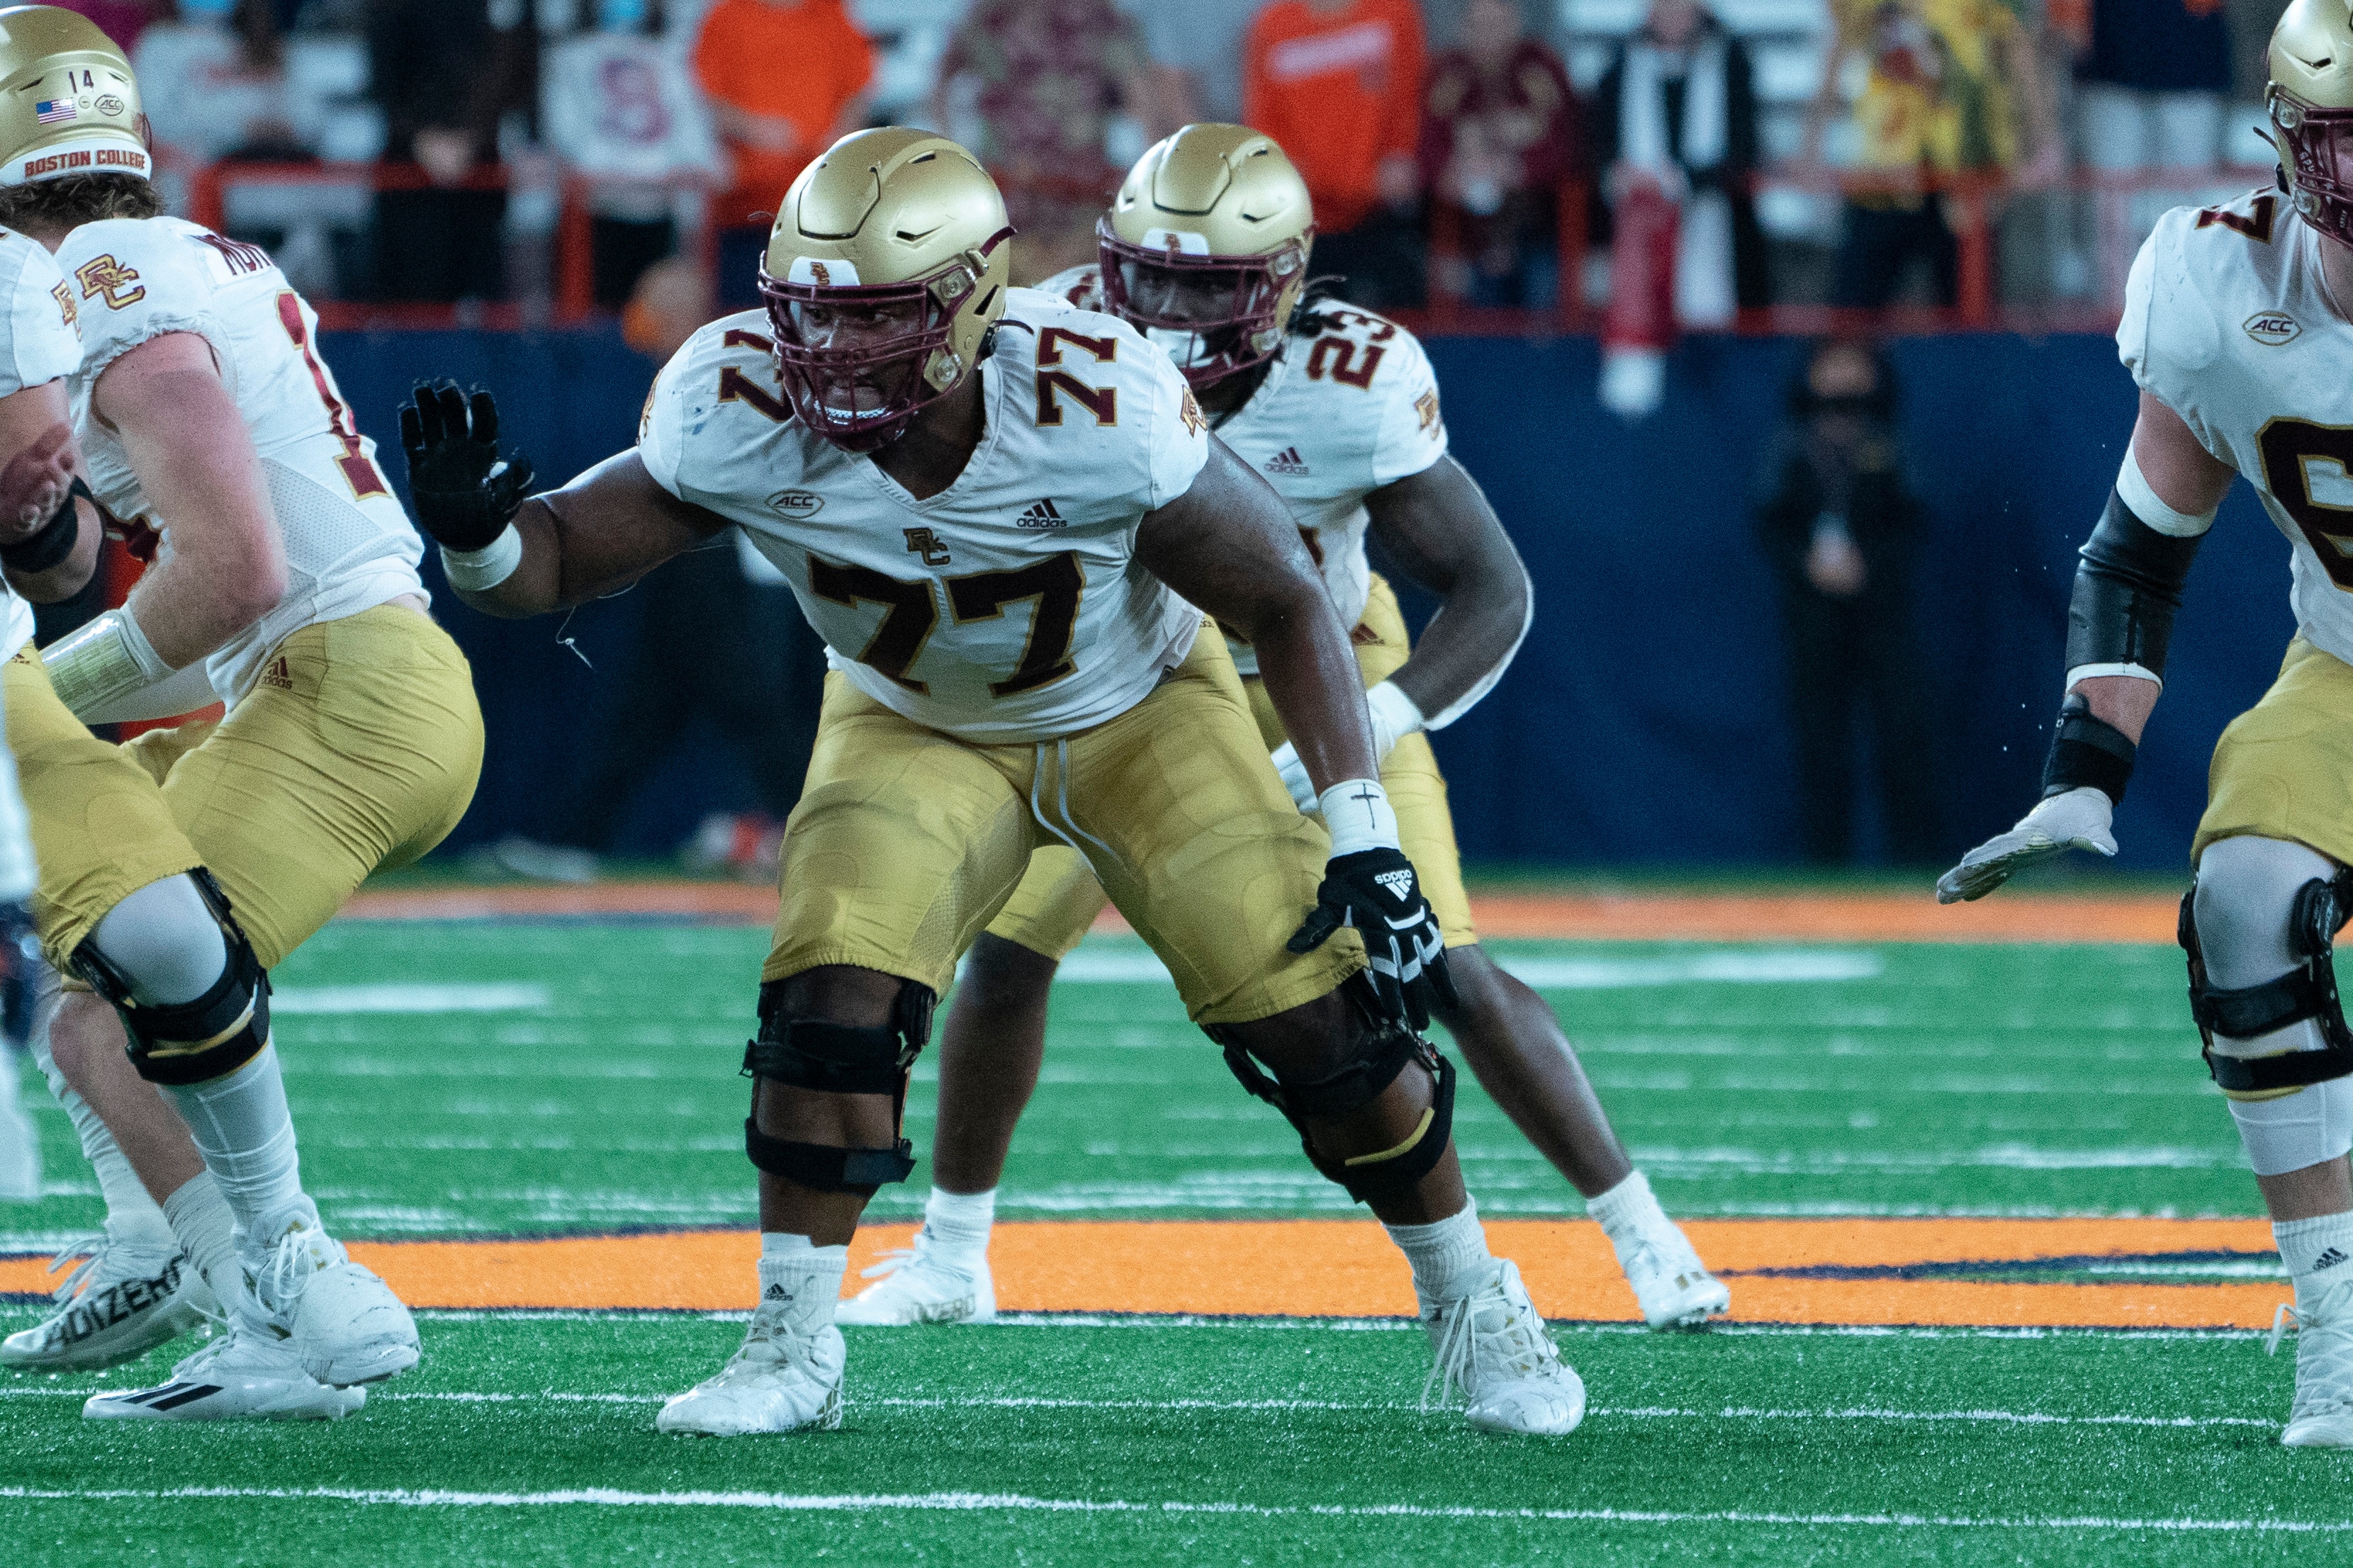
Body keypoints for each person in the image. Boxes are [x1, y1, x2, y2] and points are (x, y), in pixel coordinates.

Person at [404, 125, 1586, 1438]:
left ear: (972, 304)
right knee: (830, 991)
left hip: (1142, 709)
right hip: (914, 719)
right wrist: (476, 536)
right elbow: (556, 564)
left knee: (1317, 1010)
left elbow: (1286, 600)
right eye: (812, 315)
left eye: (877, 320)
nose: (835, 353)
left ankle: (1474, 1297)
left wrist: (1361, 821)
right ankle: (789, 1342)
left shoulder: (1100, 398)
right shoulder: (732, 398)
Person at [833, 123, 1726, 1336]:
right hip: (1126, 675)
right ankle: (952, 1250)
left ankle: (1642, 1231)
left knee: (1439, 960)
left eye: (1202, 287)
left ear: (1286, 280)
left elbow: (1493, 587)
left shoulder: (1353, 383)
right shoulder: (1048, 334)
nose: (1159, 312)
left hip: (1323, 672)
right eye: (1142, 275)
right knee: (1010, 949)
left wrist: (1372, 731)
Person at [0, 7, 483, 1417]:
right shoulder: (156, 252)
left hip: (346, 687)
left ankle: (281, 1306)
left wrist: (46, 686)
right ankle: (154, 1234)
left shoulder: (93, 280)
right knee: (56, 864)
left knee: (96, 990)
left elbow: (236, 570)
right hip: (334, 674)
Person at [1938, 0, 2353, 1448]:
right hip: (2346, 672)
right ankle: (2339, 1329)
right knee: (2242, 904)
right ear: (2286, 142)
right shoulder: (2215, 279)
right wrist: (2082, 770)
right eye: (2337, 139)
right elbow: (2137, 547)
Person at [1756, 337, 1938, 864]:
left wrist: (1869, 564)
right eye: (1830, 364)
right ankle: (1825, 861)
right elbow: (1769, 519)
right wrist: (1807, 563)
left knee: (1901, 732)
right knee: (1820, 736)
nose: (1841, 376)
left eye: (1851, 362)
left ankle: (1915, 858)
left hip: (1882, 608)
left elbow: (1913, 516)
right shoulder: (1792, 443)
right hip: (1814, 612)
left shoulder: (1888, 440)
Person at [1798, 0, 2059, 311]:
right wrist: (1809, 151)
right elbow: (1837, 50)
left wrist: (2046, 146)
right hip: (1883, 178)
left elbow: (2017, 49)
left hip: (1964, 184)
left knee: (1969, 322)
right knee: (1852, 322)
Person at [1589, 0, 1763, 416]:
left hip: (1720, 240)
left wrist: (1679, 181)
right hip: (1635, 229)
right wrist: (1618, 175)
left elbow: (1745, 150)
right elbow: (1597, 144)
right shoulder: (1620, 61)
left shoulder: (1732, 58)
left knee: (1715, 377)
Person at [932, 0, 1162, 283]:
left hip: (1080, 204)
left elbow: (1140, 98)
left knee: (1081, 301)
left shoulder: (1099, 16)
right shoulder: (986, 15)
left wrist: (1150, 186)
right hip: (1006, 206)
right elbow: (941, 84)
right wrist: (955, 164)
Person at [1243, 0, 1426, 309]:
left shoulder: (1396, 13)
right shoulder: (1270, 26)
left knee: (1396, 338)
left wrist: (1393, 167)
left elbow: (1410, 108)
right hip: (1302, 226)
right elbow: (1266, 130)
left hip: (1382, 218)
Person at [539, 0, 721, 308]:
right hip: (594, 217)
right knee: (595, 321)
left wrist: (689, 166)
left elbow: (693, 129)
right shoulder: (568, 57)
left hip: (662, 216)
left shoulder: (672, 56)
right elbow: (564, 132)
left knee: (662, 321)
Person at [690, 0, 872, 308]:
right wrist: (754, 128)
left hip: (819, 208)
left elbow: (857, 90)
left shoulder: (831, 12)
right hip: (746, 206)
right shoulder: (726, 16)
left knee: (818, 310)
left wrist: (837, 139)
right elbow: (705, 99)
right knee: (744, 318)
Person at [365, 0, 536, 302]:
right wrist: (420, 136)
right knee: (411, 294)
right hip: (409, 166)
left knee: (482, 295)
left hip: (479, 165)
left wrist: (470, 136)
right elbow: (384, 63)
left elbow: (518, 58)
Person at [1418, 0, 1584, 309]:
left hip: (1535, 222)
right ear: (1463, 29)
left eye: (1498, 25)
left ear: (1516, 25)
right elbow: (1426, 145)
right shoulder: (1446, 73)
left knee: (1541, 303)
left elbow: (1567, 145)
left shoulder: (1541, 69)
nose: (1489, 35)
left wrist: (1517, 170)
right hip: (1463, 230)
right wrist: (1449, 173)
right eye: (1479, 26)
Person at [132, 0, 315, 168]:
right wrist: (240, 129)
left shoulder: (273, 44)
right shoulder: (160, 43)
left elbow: (311, 122)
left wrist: (278, 129)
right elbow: (152, 120)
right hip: (199, 174)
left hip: (276, 174)